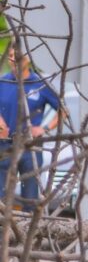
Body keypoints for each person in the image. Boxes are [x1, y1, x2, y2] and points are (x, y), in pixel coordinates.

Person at [0, 44, 61, 211]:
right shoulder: (3, 81)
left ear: (28, 59)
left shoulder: (39, 84)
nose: (14, 60)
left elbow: (63, 110)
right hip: (4, 145)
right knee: (1, 196)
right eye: (11, 55)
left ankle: (28, 235)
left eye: (18, 56)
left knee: (30, 197)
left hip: (30, 147)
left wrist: (45, 128)